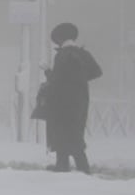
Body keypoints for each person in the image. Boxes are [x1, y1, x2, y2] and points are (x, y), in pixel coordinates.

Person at [42, 22, 102, 174]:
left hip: (62, 102)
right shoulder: (83, 54)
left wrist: (47, 71)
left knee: (61, 133)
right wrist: (80, 79)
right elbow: (97, 72)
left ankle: (66, 166)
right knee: (75, 133)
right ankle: (81, 167)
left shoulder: (62, 55)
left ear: (60, 39)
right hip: (80, 101)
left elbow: (56, 81)